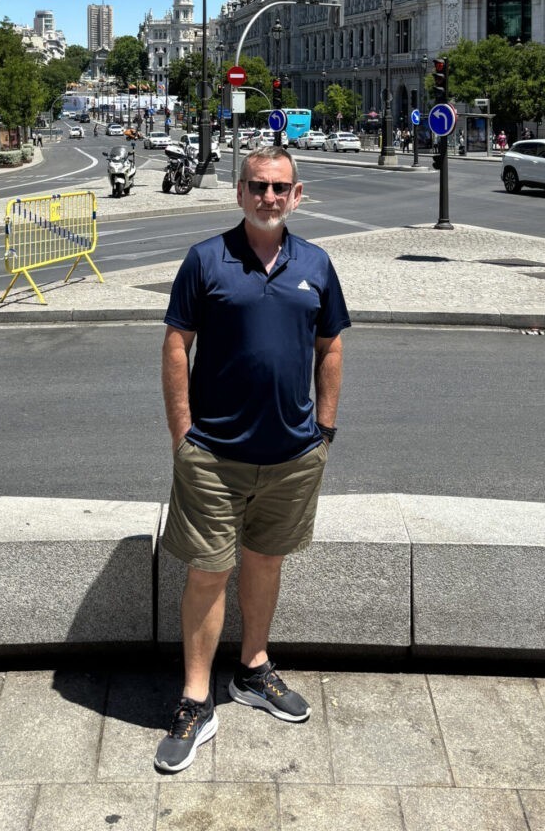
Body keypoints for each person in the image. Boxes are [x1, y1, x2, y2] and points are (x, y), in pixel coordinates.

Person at [154, 146, 350, 774]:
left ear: (298, 195)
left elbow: (331, 346)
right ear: (240, 193)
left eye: (280, 188)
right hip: (212, 454)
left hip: (293, 455)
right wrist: (183, 437)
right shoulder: (205, 259)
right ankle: (194, 698)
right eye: (258, 187)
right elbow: (176, 345)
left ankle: (253, 668)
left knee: (265, 564)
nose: (268, 197)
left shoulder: (316, 264)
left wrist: (324, 429)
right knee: (209, 573)